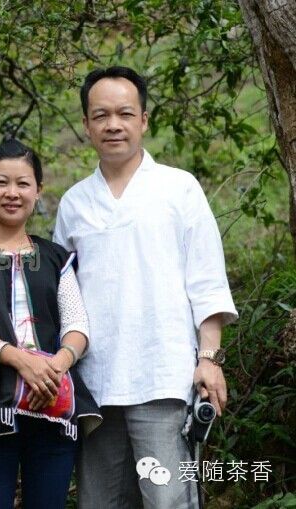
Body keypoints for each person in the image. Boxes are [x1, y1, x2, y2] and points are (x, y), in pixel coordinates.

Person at [53, 66, 238, 509]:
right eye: (101, 115)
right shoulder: (75, 202)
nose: (113, 125)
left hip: (163, 377)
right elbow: (63, 295)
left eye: (124, 113)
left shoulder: (179, 188)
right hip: (95, 386)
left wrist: (209, 359)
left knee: (167, 500)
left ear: (144, 120)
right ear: (86, 125)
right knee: (99, 503)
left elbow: (207, 281)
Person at [0, 139, 100, 509]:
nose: (13, 193)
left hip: (53, 404)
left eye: (23, 184)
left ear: (38, 190)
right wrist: (23, 362)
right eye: (1, 182)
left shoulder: (56, 257)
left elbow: (77, 325)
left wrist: (54, 368)